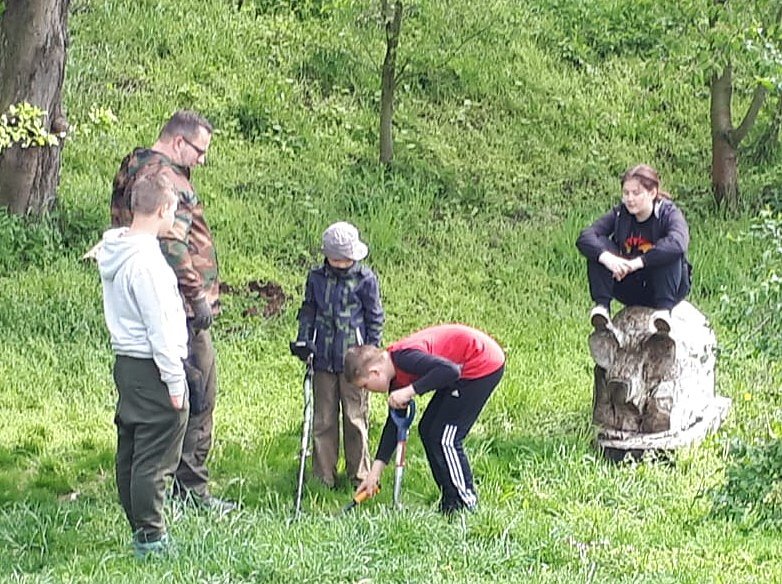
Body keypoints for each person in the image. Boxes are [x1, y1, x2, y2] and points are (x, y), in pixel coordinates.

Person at [110, 110, 234, 513]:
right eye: (199, 151)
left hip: (141, 301)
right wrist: (197, 296)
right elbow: (173, 242)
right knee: (198, 393)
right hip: (176, 306)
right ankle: (190, 489)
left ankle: (153, 484)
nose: (202, 160)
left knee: (151, 404)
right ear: (179, 142)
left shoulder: (134, 164)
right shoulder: (168, 179)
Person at [97, 174, 188, 558]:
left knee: (132, 448)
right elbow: (161, 327)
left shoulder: (115, 248)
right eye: (174, 210)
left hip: (127, 363)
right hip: (152, 365)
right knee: (154, 454)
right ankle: (151, 540)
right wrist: (175, 381)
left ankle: (141, 529)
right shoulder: (148, 263)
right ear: (164, 209)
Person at [344, 323, 505, 514]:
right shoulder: (394, 375)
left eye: (364, 386)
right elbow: (394, 424)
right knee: (429, 430)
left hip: (481, 364)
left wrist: (410, 391)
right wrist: (374, 473)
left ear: (374, 372)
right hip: (461, 369)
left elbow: (450, 371)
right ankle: (450, 502)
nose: (366, 391)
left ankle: (466, 503)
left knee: (446, 438)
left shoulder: (405, 358)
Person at [291, 222, 384, 488]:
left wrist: (370, 354)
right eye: (337, 258)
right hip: (322, 358)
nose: (342, 263)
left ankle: (360, 476)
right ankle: (323, 477)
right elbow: (308, 309)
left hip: (354, 362)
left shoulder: (365, 279)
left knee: (355, 418)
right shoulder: (316, 277)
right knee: (323, 419)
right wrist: (304, 339)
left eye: (346, 258)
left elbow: (374, 318)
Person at [575, 163, 691, 329]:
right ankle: (602, 307)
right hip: (630, 284)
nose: (629, 199)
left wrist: (637, 263)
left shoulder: (668, 213)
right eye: (626, 193)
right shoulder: (620, 214)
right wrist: (608, 259)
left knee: (670, 251)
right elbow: (585, 237)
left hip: (663, 285)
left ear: (652, 193)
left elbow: (678, 242)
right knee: (599, 246)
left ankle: (664, 313)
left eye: (636, 193)